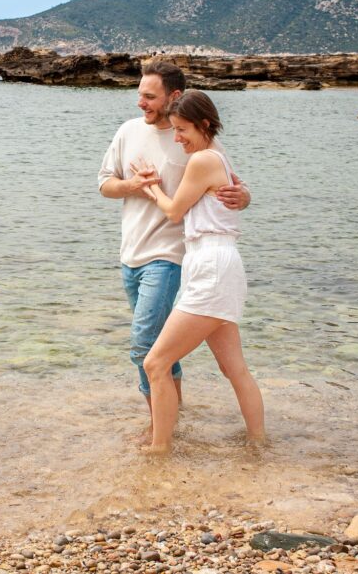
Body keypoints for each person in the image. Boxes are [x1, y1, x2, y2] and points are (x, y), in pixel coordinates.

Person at [98, 60, 250, 444]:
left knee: (145, 346)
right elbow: (104, 185)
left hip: (171, 256)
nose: (141, 104)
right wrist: (134, 184)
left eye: (149, 96)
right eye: (139, 95)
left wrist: (245, 197)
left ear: (174, 97)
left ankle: (158, 433)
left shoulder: (193, 140)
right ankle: (173, 419)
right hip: (130, 253)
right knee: (161, 348)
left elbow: (228, 184)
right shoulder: (128, 131)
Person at [140, 91, 265, 454]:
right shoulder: (219, 156)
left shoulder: (203, 160)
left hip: (210, 266)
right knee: (234, 369)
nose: (177, 138)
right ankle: (258, 443)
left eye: (182, 130)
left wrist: (150, 188)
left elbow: (175, 211)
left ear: (205, 125)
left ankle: (160, 448)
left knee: (156, 362)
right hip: (218, 264)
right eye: (174, 130)